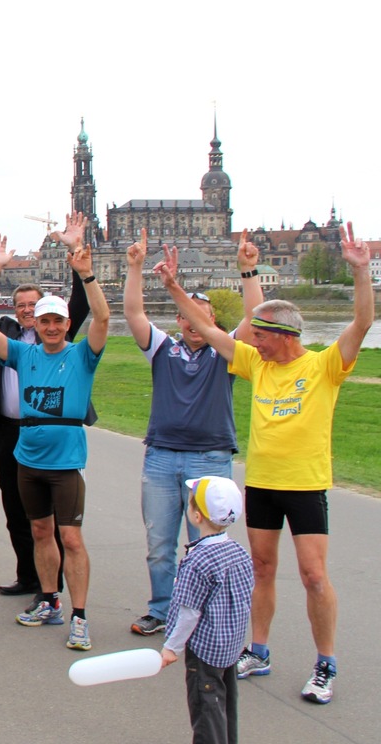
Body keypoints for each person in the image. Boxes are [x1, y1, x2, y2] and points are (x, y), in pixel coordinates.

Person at [157, 223, 375, 705]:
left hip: (304, 485)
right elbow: (211, 331)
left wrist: (361, 272)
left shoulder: (321, 366)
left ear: (281, 334)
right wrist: (173, 287)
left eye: (259, 334)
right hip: (262, 483)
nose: (252, 341)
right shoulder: (258, 363)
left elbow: (360, 325)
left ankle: (325, 664)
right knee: (261, 567)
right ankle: (258, 650)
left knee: (314, 575)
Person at [0, 234, 110, 650]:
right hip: (28, 459)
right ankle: (49, 600)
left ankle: (80, 615)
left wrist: (86, 274)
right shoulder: (22, 353)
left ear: (67, 324)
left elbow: (102, 319)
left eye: (57, 321)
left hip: (66, 462)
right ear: (37, 323)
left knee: (71, 538)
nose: (50, 327)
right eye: (44, 321)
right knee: (39, 531)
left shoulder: (83, 355)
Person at [125, 229, 262, 635]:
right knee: (160, 545)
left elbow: (255, 321)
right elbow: (134, 314)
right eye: (187, 315)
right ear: (179, 320)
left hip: (210, 457)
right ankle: (162, 609)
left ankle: (201, 614)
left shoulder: (227, 353)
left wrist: (248, 270)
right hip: (162, 455)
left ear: (213, 321)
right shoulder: (163, 348)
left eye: (203, 316)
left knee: (206, 544)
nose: (194, 323)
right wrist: (135, 267)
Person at [0, 211, 91, 598]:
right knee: (17, 509)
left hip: (54, 434)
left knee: (54, 515)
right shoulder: (9, 336)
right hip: (10, 431)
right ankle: (29, 575)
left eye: (32, 305)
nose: (25, 310)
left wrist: (76, 255)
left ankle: (52, 582)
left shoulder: (57, 337)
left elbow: (81, 305)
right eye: (20, 305)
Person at [160, 476, 254, 744]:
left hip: (205, 648)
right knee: (225, 704)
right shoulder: (239, 553)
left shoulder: (198, 559)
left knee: (205, 705)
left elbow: (189, 611)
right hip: (229, 644)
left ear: (197, 516)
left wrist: (171, 648)